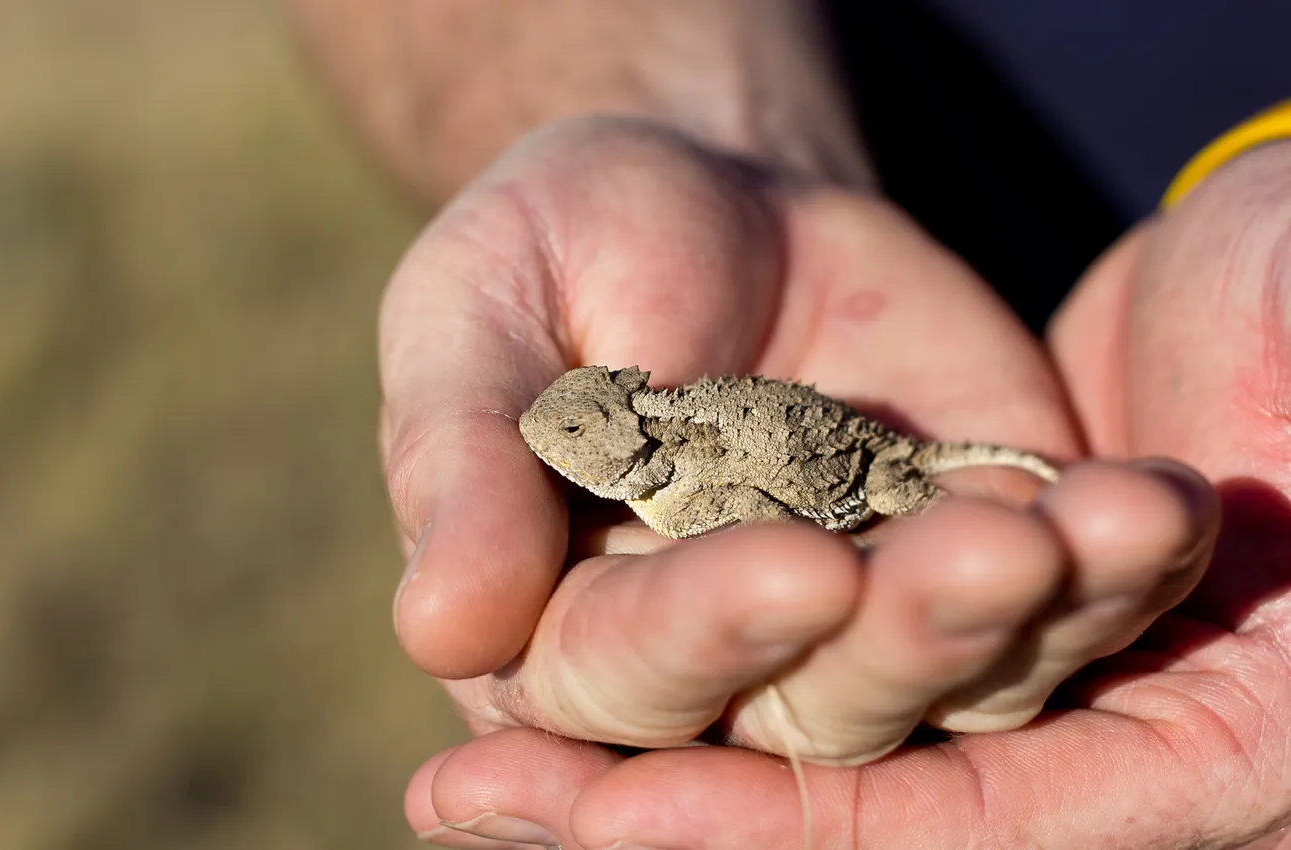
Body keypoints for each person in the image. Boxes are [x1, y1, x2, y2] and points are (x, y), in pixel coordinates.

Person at [292, 2, 1291, 847]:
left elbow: (767, 505)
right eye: (555, 433)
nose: (545, 444)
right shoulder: (665, 469)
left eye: (566, 436)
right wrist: (686, 127)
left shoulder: (691, 489)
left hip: (876, 455)